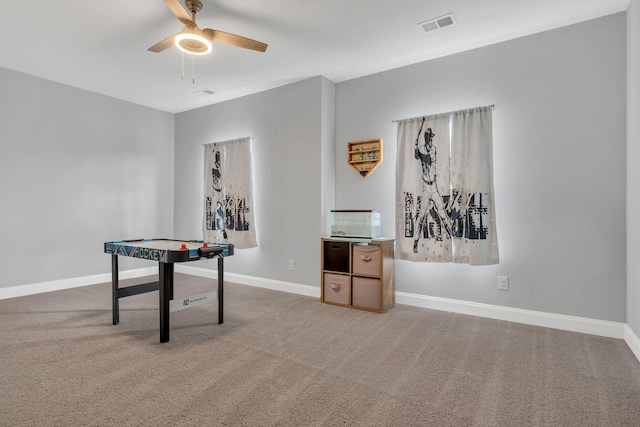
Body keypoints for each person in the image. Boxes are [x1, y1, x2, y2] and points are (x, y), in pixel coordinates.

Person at [413, 127, 452, 253]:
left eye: (430, 137)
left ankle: (452, 236)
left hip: (433, 187)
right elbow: (415, 156)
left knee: (442, 213)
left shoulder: (433, 150)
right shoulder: (422, 149)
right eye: (428, 137)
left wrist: (418, 150)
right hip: (425, 187)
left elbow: (427, 159)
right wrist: (415, 146)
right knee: (421, 215)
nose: (430, 140)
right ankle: (416, 241)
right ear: (426, 138)